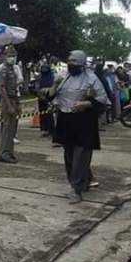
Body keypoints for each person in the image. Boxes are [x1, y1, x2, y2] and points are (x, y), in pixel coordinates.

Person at [48, 50, 109, 204]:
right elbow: (51, 96)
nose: (71, 64)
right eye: (69, 61)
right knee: (69, 156)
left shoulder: (91, 78)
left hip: (84, 122)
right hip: (65, 120)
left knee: (81, 157)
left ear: (82, 63)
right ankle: (80, 183)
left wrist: (86, 103)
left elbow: (103, 99)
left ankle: (77, 189)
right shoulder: (64, 77)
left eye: (74, 61)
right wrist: (54, 86)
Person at [0, 46, 21, 163]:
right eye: (10, 55)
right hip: (7, 101)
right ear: (4, 56)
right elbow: (2, 89)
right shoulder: (4, 70)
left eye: (14, 55)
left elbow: (15, 89)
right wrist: (9, 106)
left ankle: (9, 152)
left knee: (12, 129)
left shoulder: (13, 69)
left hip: (13, 99)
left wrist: (18, 104)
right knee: (7, 128)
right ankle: (4, 153)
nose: (12, 58)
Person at [37, 63, 55, 137]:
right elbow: (37, 87)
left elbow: (54, 88)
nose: (44, 70)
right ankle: (44, 129)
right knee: (42, 115)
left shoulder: (52, 78)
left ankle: (51, 130)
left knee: (49, 115)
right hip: (41, 99)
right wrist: (39, 94)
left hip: (49, 99)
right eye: (43, 69)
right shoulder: (40, 77)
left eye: (45, 69)